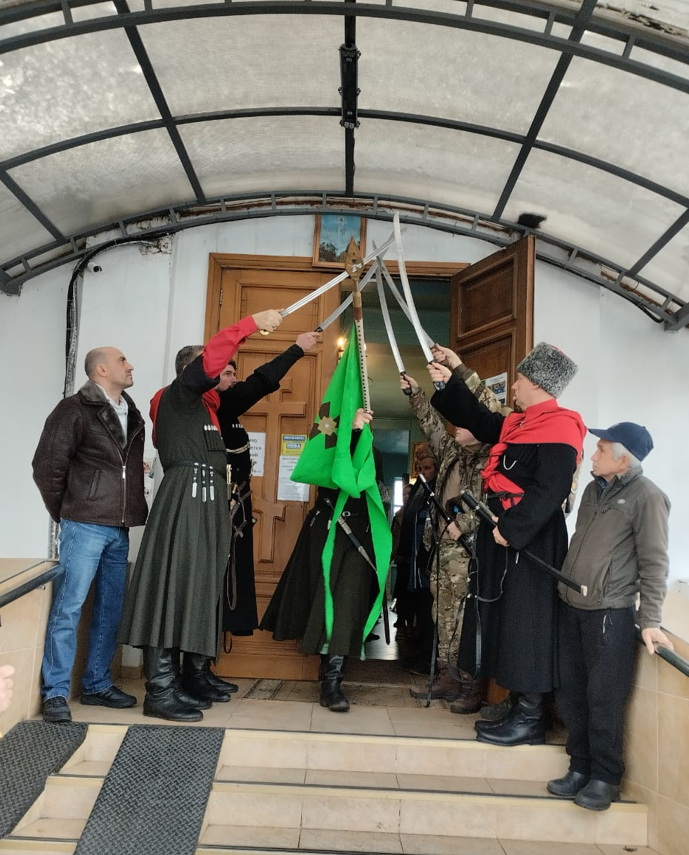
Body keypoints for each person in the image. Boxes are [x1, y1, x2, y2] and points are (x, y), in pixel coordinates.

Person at [117, 309, 283, 722]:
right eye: (211, 368)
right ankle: (160, 689)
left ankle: (188, 678)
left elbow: (245, 385)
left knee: (199, 589)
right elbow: (210, 362)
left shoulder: (207, 407)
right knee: (171, 588)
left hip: (206, 502)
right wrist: (249, 324)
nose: (221, 373)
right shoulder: (177, 396)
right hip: (186, 500)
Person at [429, 342, 585, 746]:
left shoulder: (562, 427)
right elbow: (480, 420)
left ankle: (531, 716)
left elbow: (550, 489)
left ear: (537, 383)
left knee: (527, 623)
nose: (512, 386)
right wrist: (448, 382)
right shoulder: (520, 423)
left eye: (519, 379)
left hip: (529, 541)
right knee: (505, 620)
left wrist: (513, 530)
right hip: (502, 534)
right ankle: (518, 703)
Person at [547, 422, 672, 811]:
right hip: (572, 606)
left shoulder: (648, 497)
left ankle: (605, 777)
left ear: (623, 460)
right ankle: (580, 767)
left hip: (609, 614)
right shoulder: (591, 490)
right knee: (571, 694)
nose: (593, 455)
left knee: (603, 699)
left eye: (601, 450)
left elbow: (654, 563)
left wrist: (649, 620)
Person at [32, 348, 148, 724]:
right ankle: (55, 692)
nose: (130, 366)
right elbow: (46, 467)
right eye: (122, 361)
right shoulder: (73, 409)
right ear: (101, 369)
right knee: (68, 607)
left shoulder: (131, 412)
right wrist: (69, 510)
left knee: (110, 608)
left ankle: (97, 684)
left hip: (118, 526)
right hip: (84, 524)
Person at [260, 409, 383, 712]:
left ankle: (333, 680)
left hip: (358, 537)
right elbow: (326, 468)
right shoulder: (326, 435)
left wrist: (358, 436)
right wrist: (348, 431)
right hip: (326, 533)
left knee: (345, 608)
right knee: (322, 606)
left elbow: (364, 485)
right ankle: (328, 678)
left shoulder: (374, 452)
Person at [405, 344, 504, 713]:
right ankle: (448, 676)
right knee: (442, 612)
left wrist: (463, 523)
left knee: (466, 617)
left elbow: (491, 504)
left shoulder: (491, 457)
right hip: (444, 547)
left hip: (471, 548)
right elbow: (430, 423)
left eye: (464, 421)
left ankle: (471, 683)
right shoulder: (451, 450)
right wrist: (415, 393)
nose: (457, 424)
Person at [215, 332, 319, 646]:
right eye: (227, 374)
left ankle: (207, 659)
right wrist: (296, 349)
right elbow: (258, 384)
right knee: (219, 580)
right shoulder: (217, 405)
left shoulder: (229, 413)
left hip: (238, 507)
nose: (234, 380)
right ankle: (199, 662)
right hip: (220, 507)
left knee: (233, 579)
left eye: (234, 373)